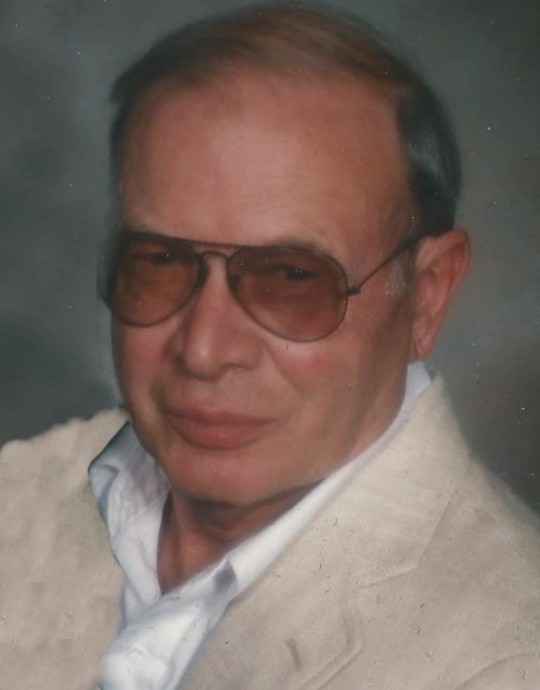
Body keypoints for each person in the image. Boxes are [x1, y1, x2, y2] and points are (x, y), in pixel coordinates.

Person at [2, 3, 540, 689]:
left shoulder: (507, 656)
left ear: (426, 296)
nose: (204, 350)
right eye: (161, 262)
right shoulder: (16, 497)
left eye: (291, 279)